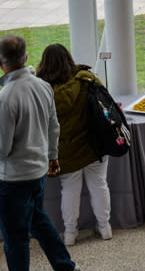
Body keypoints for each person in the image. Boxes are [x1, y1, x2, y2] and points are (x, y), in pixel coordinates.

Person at [0, 34, 85, 271]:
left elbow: (0, 148)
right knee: (38, 221)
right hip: (38, 171)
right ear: (26, 57)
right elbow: (53, 126)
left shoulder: (3, 99)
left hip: (13, 178)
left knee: (15, 236)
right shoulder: (42, 85)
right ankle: (66, 270)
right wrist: (53, 157)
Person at [37, 43, 114, 244]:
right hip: (95, 145)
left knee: (69, 191)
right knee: (99, 185)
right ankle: (105, 227)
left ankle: (70, 233)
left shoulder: (42, 91)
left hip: (66, 151)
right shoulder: (87, 79)